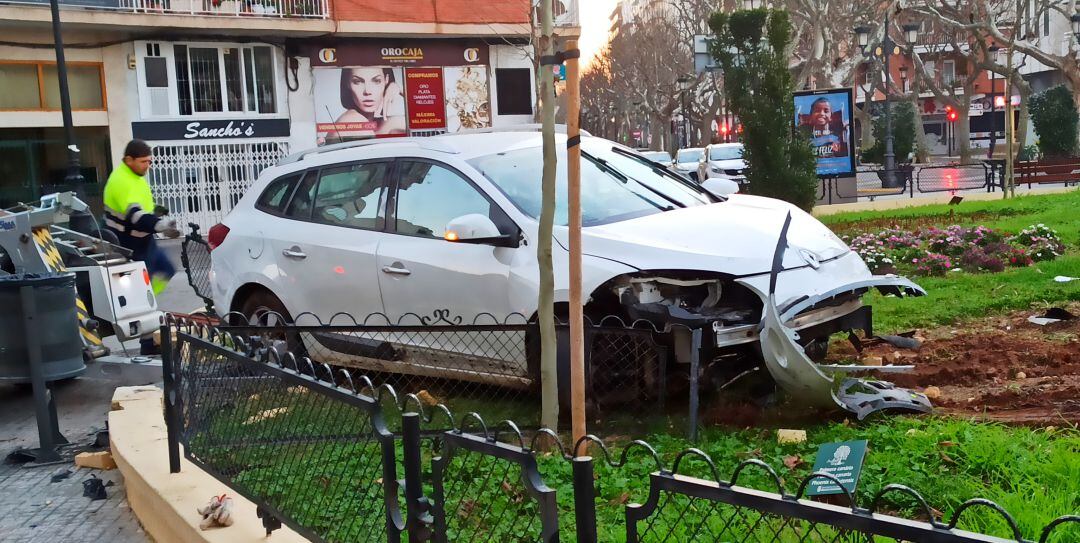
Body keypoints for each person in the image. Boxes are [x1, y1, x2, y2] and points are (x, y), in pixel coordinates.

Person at [103, 140, 180, 353]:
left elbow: (141, 206)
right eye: (144, 162)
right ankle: (147, 339)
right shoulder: (121, 181)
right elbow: (135, 215)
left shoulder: (136, 177)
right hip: (129, 245)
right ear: (129, 160)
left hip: (145, 241)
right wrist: (160, 225)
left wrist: (156, 211)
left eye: (150, 161)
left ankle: (147, 301)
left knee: (167, 271)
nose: (148, 166)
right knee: (144, 292)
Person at [323, 67, 406, 142]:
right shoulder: (352, 120)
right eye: (357, 82)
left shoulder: (373, 123)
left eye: (376, 81)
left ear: (386, 80)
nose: (367, 91)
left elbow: (417, 123)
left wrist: (399, 88)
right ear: (347, 83)